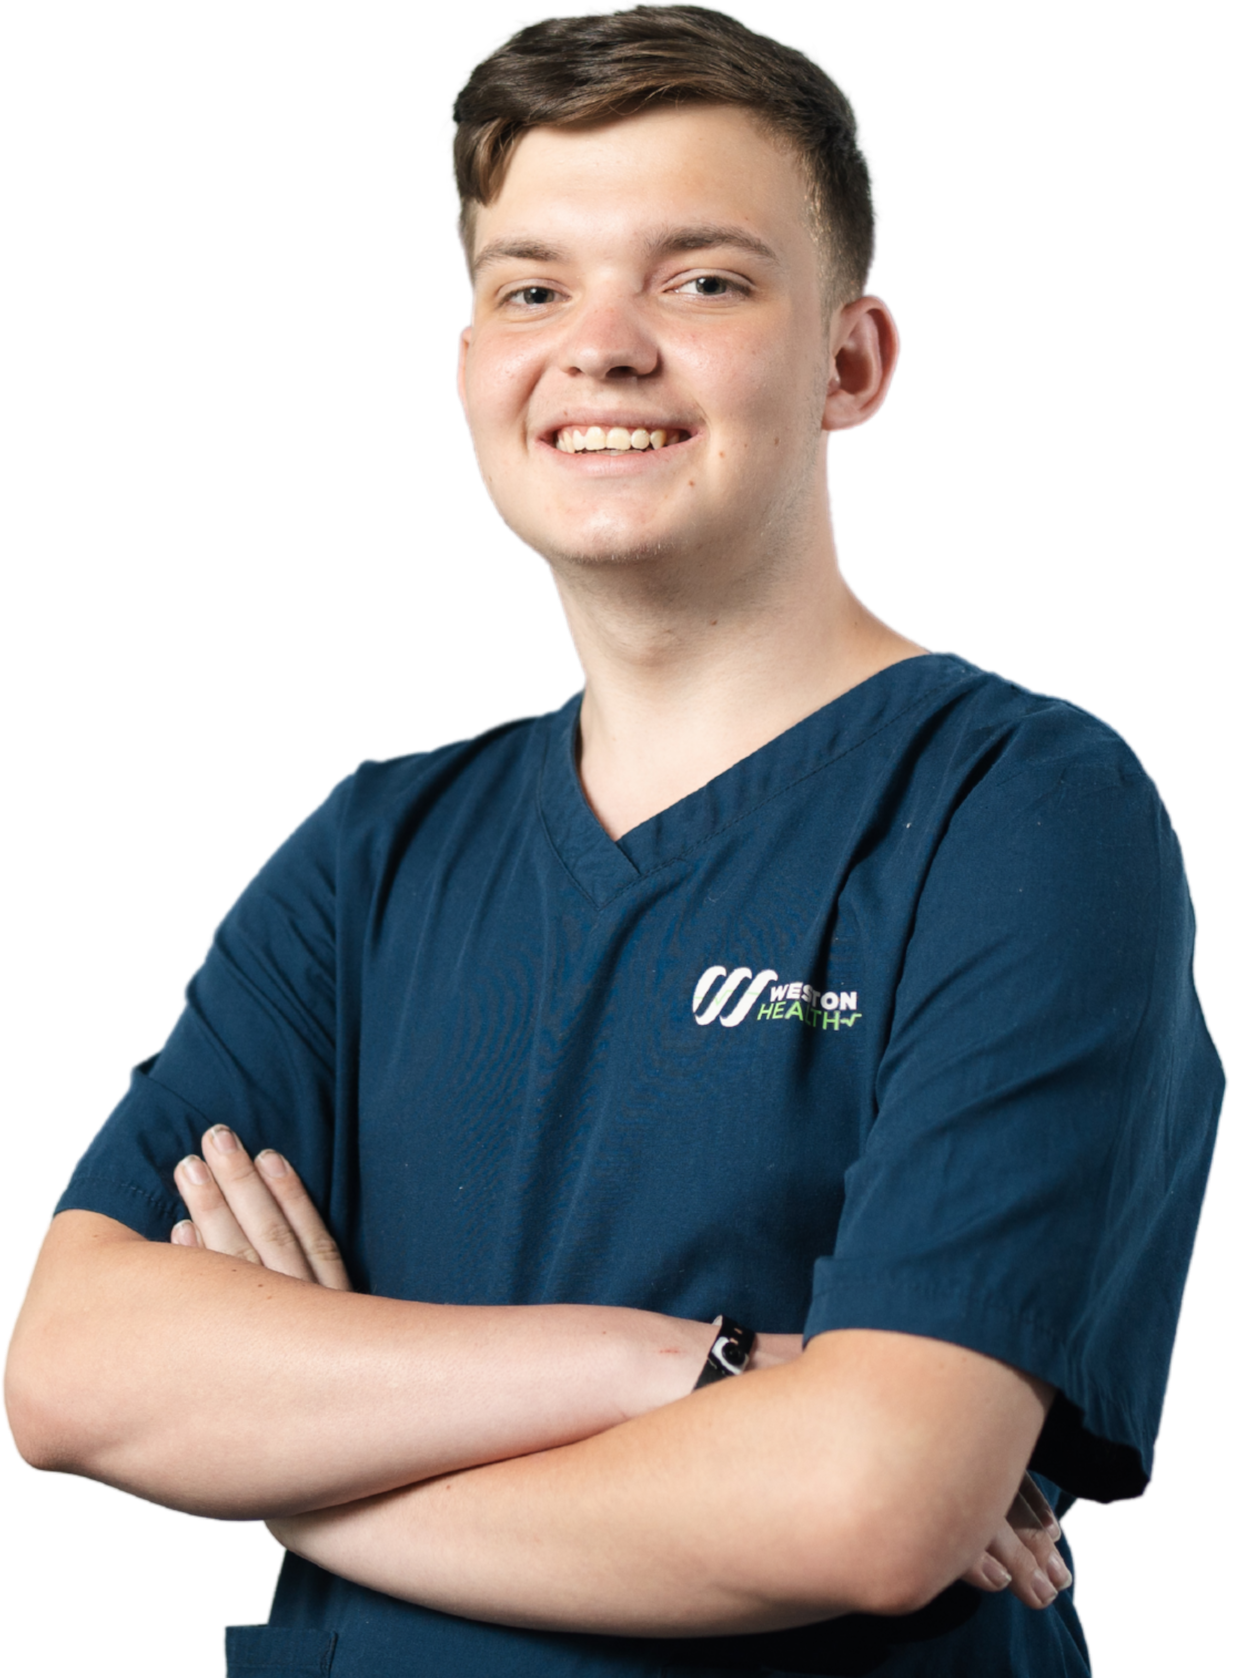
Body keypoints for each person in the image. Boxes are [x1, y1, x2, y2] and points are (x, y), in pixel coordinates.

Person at [4, 7, 1224, 1675]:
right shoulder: (373, 848)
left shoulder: (1015, 808)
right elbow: (69, 1370)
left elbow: (865, 1497)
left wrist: (295, 1481)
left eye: (700, 279)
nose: (601, 347)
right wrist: (688, 1368)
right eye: (529, 286)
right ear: (466, 369)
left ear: (851, 364)